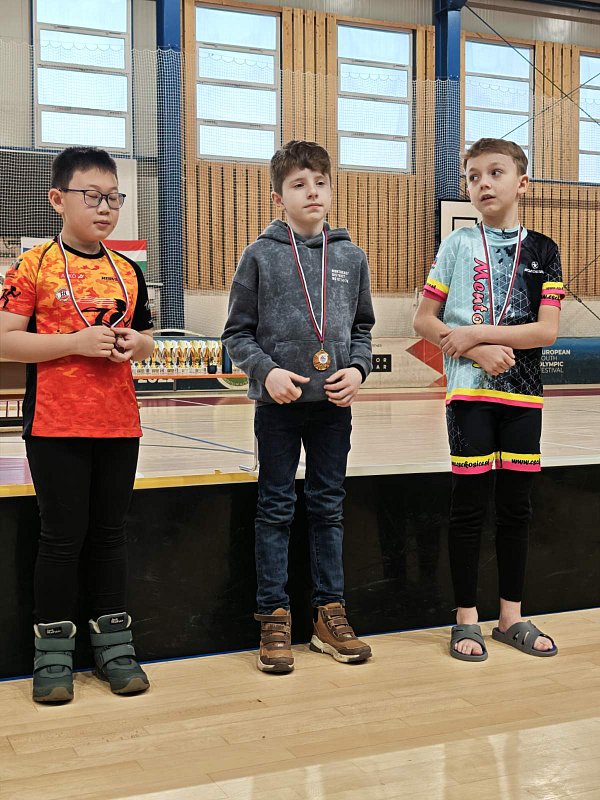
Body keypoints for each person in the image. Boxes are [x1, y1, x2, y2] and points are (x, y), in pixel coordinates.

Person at [0, 147, 155, 701]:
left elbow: (146, 338)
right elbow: (5, 340)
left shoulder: (129, 271)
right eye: (92, 197)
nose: (105, 208)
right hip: (55, 425)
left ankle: (115, 648)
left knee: (110, 537)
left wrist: (137, 344)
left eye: (113, 197)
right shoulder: (33, 266)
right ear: (58, 199)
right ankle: (52, 655)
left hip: (119, 425)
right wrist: (75, 343)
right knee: (62, 539)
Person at [222, 140, 375, 673]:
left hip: (333, 408)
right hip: (278, 407)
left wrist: (358, 370)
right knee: (275, 508)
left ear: (331, 189)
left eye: (320, 182)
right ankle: (273, 615)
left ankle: (328, 615)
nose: (312, 192)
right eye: (298, 184)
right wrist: (267, 373)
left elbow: (362, 329)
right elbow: (236, 335)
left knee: (328, 508)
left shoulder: (352, 257)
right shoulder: (260, 255)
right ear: (278, 197)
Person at [414, 138, 564, 661]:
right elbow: (424, 321)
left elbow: (545, 331)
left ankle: (510, 618)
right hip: (469, 395)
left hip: (523, 399)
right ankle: (465, 620)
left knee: (516, 508)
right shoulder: (456, 245)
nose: (483, 183)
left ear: (522, 183)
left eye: (495, 172)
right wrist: (476, 353)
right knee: (469, 507)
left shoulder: (544, 249)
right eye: (473, 176)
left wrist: (476, 332)